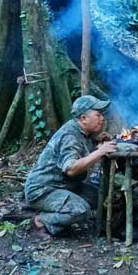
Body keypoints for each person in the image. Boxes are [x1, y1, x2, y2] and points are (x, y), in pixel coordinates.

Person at [25, 94, 117, 236]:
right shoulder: (70, 136)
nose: (102, 118)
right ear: (83, 119)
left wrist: (95, 141)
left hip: (65, 186)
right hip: (43, 190)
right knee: (80, 210)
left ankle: (56, 210)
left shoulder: (82, 132)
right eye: (98, 115)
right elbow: (71, 169)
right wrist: (100, 152)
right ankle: (41, 220)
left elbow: (80, 149)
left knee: (100, 196)